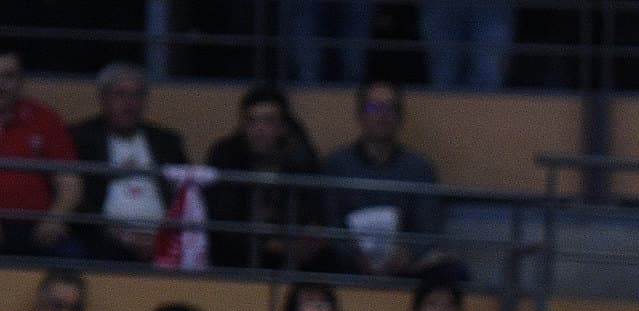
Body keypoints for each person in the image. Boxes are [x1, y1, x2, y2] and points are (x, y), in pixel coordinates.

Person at [64, 62, 187, 264]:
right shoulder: (81, 138)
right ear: (103, 98)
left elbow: (184, 194)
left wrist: (162, 235)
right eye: (120, 95)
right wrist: (122, 235)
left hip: (165, 239)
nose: (129, 104)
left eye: (137, 95)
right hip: (104, 239)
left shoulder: (166, 141)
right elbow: (78, 198)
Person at [323, 81, 444, 276]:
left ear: (400, 116)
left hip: (406, 266)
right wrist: (353, 255)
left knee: (446, 272)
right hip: (347, 264)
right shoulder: (335, 165)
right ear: (360, 115)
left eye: (390, 108)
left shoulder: (421, 168)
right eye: (373, 107)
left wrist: (407, 254)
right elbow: (330, 223)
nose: (382, 114)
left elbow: (428, 228)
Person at [204, 86, 328, 273]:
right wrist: (269, 244)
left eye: (268, 121)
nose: (259, 129)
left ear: (283, 127)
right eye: (252, 121)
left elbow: (313, 210)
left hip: (292, 250)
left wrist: (307, 235)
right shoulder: (225, 157)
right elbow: (222, 218)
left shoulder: (302, 159)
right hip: (237, 252)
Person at [0, 48, 82, 258]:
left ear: (21, 81)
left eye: (8, 76)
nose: (1, 85)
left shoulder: (45, 119)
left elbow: (70, 184)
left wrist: (55, 219)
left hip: (37, 227)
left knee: (73, 255)